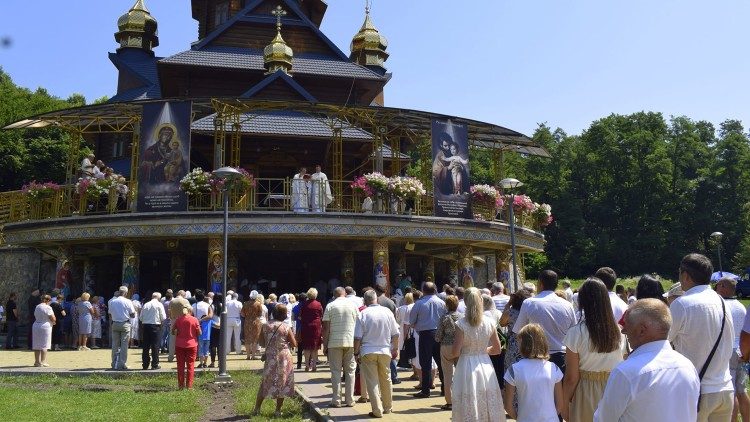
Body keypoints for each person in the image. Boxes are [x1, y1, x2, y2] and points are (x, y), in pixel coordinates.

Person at [594, 299, 700, 421]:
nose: (623, 330)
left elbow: (604, 419)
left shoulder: (626, 372)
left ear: (641, 330)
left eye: (627, 324)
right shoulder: (687, 366)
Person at [669, 253, 734, 421]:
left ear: (685, 276)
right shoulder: (721, 301)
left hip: (696, 391)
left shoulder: (682, 304)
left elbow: (663, 341)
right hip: (724, 388)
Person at [561, 278, 624, 422]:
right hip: (614, 389)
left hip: (585, 391)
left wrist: (564, 404)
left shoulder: (576, 333)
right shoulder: (619, 333)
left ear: (583, 302)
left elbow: (571, 377)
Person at [512, 270, 576, 373]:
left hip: (536, 357)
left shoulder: (529, 303)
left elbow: (519, 330)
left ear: (540, 284)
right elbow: (573, 333)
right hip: (561, 356)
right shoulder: (567, 305)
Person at [354, 290, 400, 418]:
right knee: (386, 379)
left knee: (372, 381)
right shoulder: (387, 312)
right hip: (385, 350)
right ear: (376, 299)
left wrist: (356, 352)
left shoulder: (363, 314)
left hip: (368, 351)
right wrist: (395, 348)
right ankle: (388, 407)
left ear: (365, 301)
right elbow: (396, 333)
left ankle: (377, 410)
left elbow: (357, 337)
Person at [504, 323, 563, 422]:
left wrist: (520, 418)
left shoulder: (514, 370)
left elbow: (508, 406)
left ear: (522, 344)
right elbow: (560, 405)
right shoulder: (554, 368)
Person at [252, 303, 297, 418]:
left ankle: (257, 408)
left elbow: (261, 343)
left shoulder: (265, 325)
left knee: (266, 380)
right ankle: (278, 410)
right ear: (283, 314)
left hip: (270, 356)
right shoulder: (285, 326)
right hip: (284, 357)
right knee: (282, 381)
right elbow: (293, 343)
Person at [716, 276, 750, 422]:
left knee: (731, 392)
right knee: (742, 391)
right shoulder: (741, 306)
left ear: (723, 287)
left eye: (717, 286)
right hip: (742, 352)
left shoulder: (720, 305)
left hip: (728, 352)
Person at [322, 286, 359, 408]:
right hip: (350, 342)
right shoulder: (353, 305)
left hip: (334, 343)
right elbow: (358, 324)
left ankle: (336, 400)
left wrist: (325, 345)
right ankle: (350, 400)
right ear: (344, 294)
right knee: (350, 372)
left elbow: (326, 328)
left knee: (336, 372)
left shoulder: (330, 306)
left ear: (334, 295)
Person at [408, 281, 446, 398]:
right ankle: (445, 388)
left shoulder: (419, 303)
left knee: (426, 363)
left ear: (423, 291)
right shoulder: (442, 303)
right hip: (439, 334)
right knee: (441, 363)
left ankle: (425, 390)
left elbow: (411, 321)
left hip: (425, 335)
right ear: (435, 290)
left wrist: (418, 325)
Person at [435, 295, 461, 411]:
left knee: (447, 375)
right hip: (459, 346)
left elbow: (438, 336)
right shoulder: (462, 317)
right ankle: (461, 399)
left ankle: (449, 402)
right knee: (460, 374)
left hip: (446, 346)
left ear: (446, 305)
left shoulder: (444, 317)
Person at [172, 302, 200, 389]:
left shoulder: (178, 319)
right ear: (190, 311)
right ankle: (189, 386)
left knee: (180, 366)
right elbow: (199, 332)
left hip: (179, 344)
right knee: (190, 365)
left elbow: (172, 331)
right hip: (192, 344)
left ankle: (181, 385)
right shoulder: (195, 320)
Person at [109, 286, 136, 370]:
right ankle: (122, 363)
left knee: (115, 344)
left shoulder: (112, 301)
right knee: (124, 345)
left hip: (115, 323)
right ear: (126, 293)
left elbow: (110, 314)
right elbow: (132, 314)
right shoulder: (128, 301)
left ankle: (114, 363)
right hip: (125, 323)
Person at [140, 292, 166, 370]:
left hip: (146, 326)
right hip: (155, 326)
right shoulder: (159, 305)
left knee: (145, 346)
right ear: (159, 298)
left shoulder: (146, 304)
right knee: (155, 346)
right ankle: (155, 364)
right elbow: (163, 317)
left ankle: (145, 364)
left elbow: (141, 318)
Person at [300, 287, 323, 371]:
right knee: (315, 347)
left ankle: (306, 365)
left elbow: (301, 315)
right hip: (316, 326)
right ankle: (314, 366)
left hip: (306, 326)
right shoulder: (318, 304)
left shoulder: (304, 304)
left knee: (306, 347)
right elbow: (321, 315)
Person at [32, 295, 56, 367]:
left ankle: (37, 362)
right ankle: (43, 361)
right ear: (48, 300)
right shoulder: (48, 307)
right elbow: (52, 317)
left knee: (36, 344)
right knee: (45, 344)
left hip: (36, 325)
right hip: (45, 326)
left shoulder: (37, 306)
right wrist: (54, 321)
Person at [241, 292, 264, 360]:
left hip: (247, 322)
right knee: (255, 339)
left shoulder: (245, 304)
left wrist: (247, 316)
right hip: (256, 322)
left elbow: (242, 313)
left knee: (247, 339)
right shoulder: (258, 304)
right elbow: (260, 314)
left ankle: (248, 356)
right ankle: (253, 356)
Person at [208, 293, 223, 368]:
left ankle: (212, 362)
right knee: (220, 345)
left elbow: (210, 316)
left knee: (213, 345)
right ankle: (220, 363)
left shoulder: (212, 305)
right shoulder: (223, 306)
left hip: (213, 326)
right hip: (221, 327)